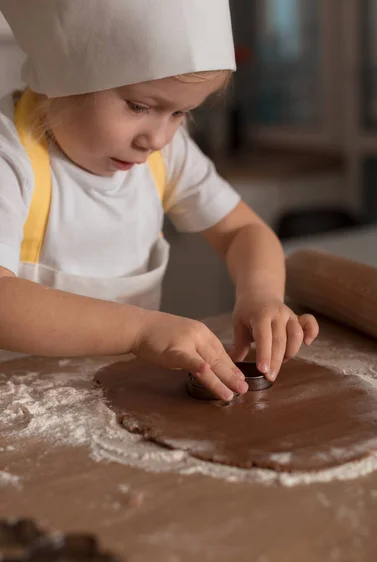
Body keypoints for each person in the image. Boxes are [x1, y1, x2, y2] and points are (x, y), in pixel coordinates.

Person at [0, 0, 318, 402]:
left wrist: (262, 294)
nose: (158, 138)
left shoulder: (166, 156)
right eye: (139, 106)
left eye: (181, 113)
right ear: (64, 72)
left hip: (121, 401)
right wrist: (140, 330)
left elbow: (243, 230)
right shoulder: (10, 156)